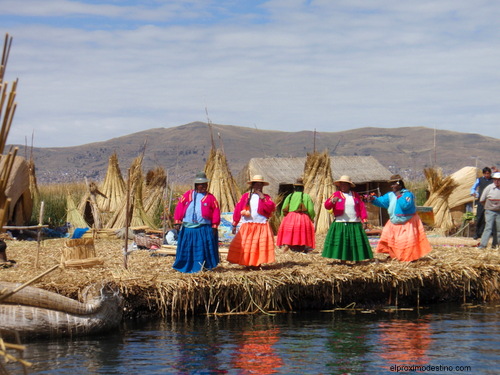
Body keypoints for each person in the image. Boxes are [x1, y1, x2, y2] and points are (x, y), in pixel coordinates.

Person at [367, 174, 432, 262]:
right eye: (391, 184)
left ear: (400, 184)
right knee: (393, 240)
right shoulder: (390, 195)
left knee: (405, 242)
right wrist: (373, 199)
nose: (392, 186)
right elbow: (382, 202)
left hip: (407, 222)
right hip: (394, 222)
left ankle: (408, 258)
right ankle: (394, 256)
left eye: (394, 184)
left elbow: (405, 205)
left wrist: (398, 195)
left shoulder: (408, 194)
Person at [172, 172, 220, 273]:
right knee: (188, 248)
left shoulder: (211, 198)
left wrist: (214, 226)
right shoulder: (188, 195)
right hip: (188, 228)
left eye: (205, 184)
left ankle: (202, 267)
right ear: (196, 185)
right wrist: (177, 221)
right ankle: (185, 266)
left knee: (202, 249)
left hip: (203, 228)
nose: (204, 186)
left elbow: (216, 211)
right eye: (201, 184)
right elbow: (180, 207)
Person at [227, 175, 276, 268]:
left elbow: (270, 208)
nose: (258, 186)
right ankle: (247, 263)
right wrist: (234, 224)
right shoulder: (246, 196)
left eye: (260, 185)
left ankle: (257, 264)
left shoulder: (266, 197)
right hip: (248, 225)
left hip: (261, 225)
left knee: (257, 246)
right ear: (252, 186)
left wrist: (262, 197)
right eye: (256, 184)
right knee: (247, 245)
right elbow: (238, 209)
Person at [322, 175, 373, 264]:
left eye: (345, 185)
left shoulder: (355, 195)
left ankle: (357, 260)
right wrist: (332, 201)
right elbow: (327, 205)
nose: (343, 187)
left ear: (349, 185)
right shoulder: (336, 195)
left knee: (355, 243)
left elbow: (361, 208)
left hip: (354, 223)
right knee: (343, 243)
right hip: (341, 222)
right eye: (341, 185)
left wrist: (364, 221)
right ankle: (343, 261)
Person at [276, 178, 315, 253]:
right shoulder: (306, 196)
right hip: (302, 217)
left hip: (290, 217)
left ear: (294, 188)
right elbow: (310, 209)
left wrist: (283, 217)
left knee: (290, 232)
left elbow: (284, 208)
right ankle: (301, 247)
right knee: (301, 233)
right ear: (303, 188)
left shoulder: (290, 196)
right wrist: (312, 217)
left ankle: (288, 245)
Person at [478, 172, 500, 249]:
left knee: (498, 229)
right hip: (489, 211)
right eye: (495, 180)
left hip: (499, 212)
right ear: (493, 180)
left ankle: (496, 245)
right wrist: (488, 207)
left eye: (499, 180)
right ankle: (483, 245)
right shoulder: (489, 188)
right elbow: (482, 200)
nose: (497, 181)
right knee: (488, 228)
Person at [470, 167, 493, 239]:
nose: (487, 175)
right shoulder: (479, 180)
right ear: (483, 174)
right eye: (485, 173)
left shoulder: (493, 181)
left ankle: (489, 234)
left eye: (488, 173)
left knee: (490, 218)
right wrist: (474, 193)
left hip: (490, 202)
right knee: (480, 217)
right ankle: (477, 234)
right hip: (481, 201)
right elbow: (473, 188)